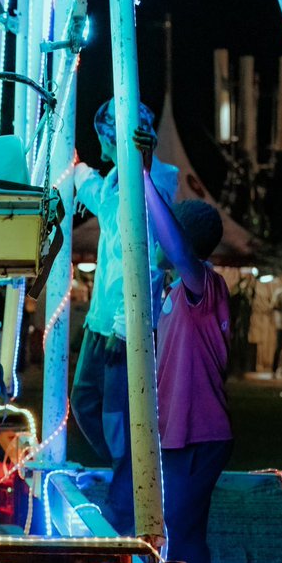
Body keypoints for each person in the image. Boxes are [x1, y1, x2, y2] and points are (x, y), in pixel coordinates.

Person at [69, 98, 178, 534]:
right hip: (100, 321)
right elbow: (91, 189)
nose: (100, 144)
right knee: (85, 403)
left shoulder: (157, 181)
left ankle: (127, 498)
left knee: (118, 417)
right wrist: (74, 167)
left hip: (127, 323)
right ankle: (128, 473)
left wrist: (124, 327)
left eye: (103, 136)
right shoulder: (113, 181)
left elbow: (152, 260)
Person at [136, 128, 231, 563]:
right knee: (174, 531)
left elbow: (176, 247)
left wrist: (144, 175)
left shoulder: (204, 285)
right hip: (177, 434)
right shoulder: (176, 289)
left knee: (184, 533)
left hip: (200, 432)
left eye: (167, 229)